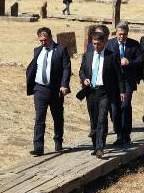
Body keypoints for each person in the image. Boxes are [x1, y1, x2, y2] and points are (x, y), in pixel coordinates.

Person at [25, 27, 71, 156]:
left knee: (57, 116)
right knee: (39, 118)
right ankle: (38, 147)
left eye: (45, 40)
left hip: (55, 89)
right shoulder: (37, 50)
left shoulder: (61, 49)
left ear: (50, 37)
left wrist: (64, 84)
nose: (43, 43)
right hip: (40, 89)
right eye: (41, 40)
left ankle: (58, 142)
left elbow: (66, 68)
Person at [79, 31, 126, 158]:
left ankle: (100, 147)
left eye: (98, 44)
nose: (96, 46)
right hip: (91, 92)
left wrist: (122, 91)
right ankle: (95, 145)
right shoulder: (87, 55)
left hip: (105, 92)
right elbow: (82, 71)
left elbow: (119, 75)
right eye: (94, 44)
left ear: (104, 42)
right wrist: (84, 79)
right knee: (94, 120)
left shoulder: (112, 56)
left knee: (102, 118)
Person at [106, 21, 143, 145]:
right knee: (114, 108)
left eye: (124, 34)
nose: (122, 36)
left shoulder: (134, 44)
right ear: (116, 32)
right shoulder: (109, 44)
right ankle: (119, 134)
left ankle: (126, 135)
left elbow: (141, 59)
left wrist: (129, 62)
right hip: (113, 81)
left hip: (127, 80)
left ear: (127, 33)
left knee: (125, 106)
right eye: (120, 34)